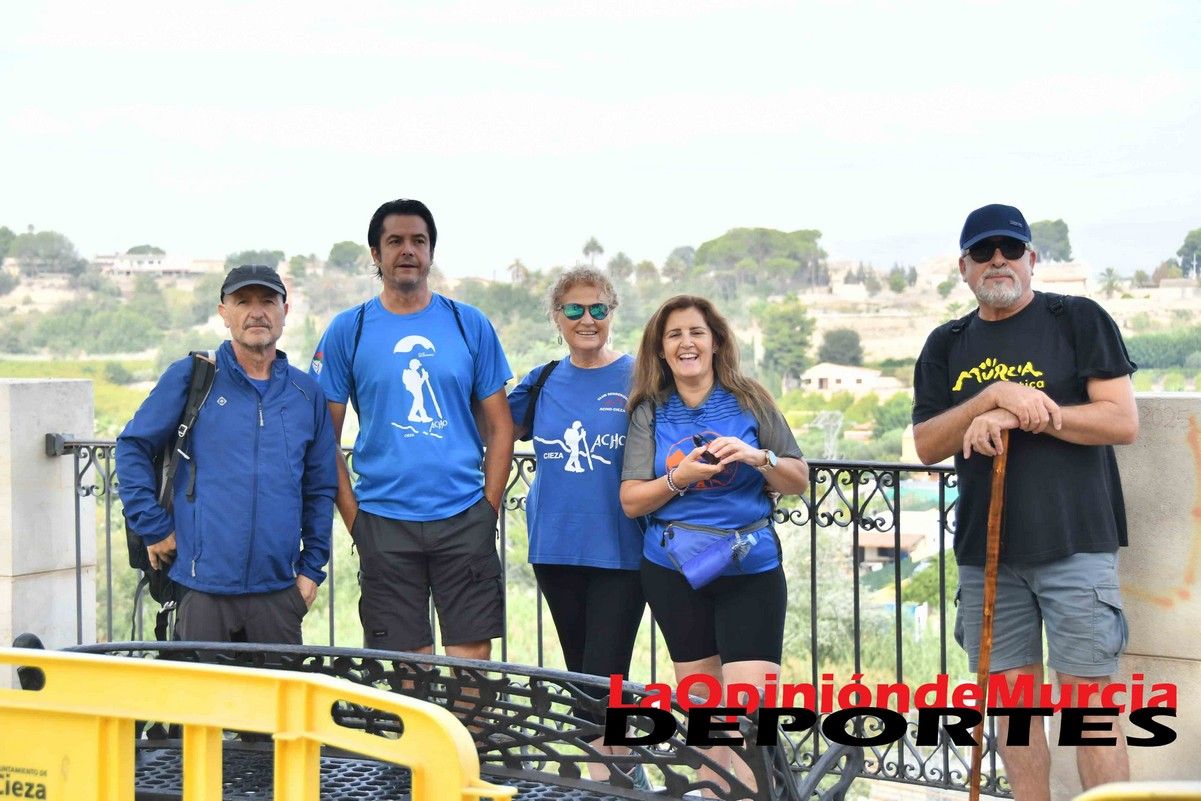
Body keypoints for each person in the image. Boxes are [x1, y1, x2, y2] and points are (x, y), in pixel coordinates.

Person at [912, 204, 1138, 801]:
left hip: (1076, 543)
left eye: (1010, 250)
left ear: (1033, 259)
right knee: (1013, 713)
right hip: (988, 557)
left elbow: (1121, 420)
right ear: (963, 267)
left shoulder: (1078, 319)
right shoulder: (946, 343)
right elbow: (928, 443)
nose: (998, 261)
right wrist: (985, 402)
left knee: (1090, 710)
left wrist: (1033, 411)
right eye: (983, 252)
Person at [310, 199, 513, 659]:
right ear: (375, 254)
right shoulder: (350, 329)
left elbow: (501, 428)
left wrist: (488, 509)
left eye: (418, 241)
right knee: (406, 672)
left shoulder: (468, 323)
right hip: (383, 521)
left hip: (464, 517)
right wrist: (355, 520)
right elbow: (325, 436)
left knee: (472, 663)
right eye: (395, 241)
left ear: (431, 252)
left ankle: (470, 736)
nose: (407, 251)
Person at [619, 295, 808, 785]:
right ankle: (713, 795)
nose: (687, 343)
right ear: (661, 351)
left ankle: (751, 794)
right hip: (675, 571)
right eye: (674, 335)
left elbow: (798, 478)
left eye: (696, 332)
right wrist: (678, 478)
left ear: (716, 340)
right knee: (705, 718)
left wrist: (755, 456)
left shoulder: (752, 399)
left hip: (751, 570)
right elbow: (632, 500)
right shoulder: (649, 411)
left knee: (749, 717)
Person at [117, 264, 338, 643]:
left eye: (268, 301)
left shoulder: (305, 395)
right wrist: (152, 526)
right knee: (202, 703)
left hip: (278, 594)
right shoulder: (192, 377)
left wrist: (312, 569)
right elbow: (132, 447)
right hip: (202, 591)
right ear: (224, 312)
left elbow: (319, 488)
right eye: (242, 301)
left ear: (286, 309)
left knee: (277, 702)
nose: (257, 312)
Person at [506, 267, 647, 787]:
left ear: (612, 313)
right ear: (556, 317)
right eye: (573, 310)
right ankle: (611, 780)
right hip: (555, 547)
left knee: (606, 673)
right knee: (583, 675)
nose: (586, 319)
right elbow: (494, 429)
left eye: (597, 309)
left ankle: (616, 781)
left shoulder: (640, 377)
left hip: (621, 550)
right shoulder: (540, 381)